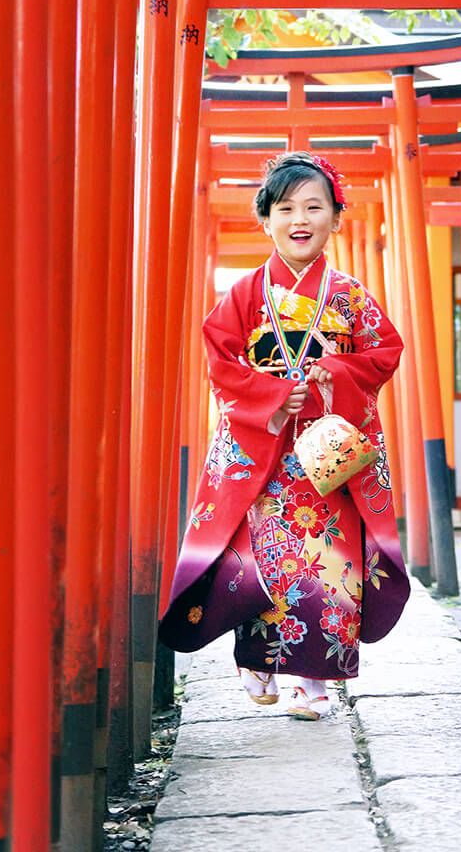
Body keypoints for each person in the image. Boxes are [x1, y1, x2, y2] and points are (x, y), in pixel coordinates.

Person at [158, 152, 410, 720]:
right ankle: (256, 658)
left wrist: (337, 374)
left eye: (314, 206)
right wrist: (271, 395)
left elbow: (385, 352)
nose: (300, 217)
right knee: (261, 562)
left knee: (330, 562)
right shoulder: (246, 292)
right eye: (286, 207)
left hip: (326, 454)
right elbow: (220, 359)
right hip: (264, 451)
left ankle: (312, 680)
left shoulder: (349, 294)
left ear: (336, 218)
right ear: (266, 220)